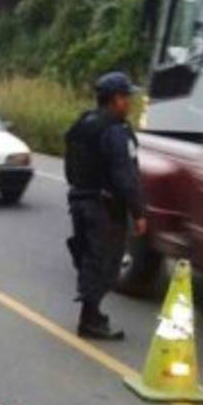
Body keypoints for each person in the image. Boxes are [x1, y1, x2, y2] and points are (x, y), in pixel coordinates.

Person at [64, 71, 147, 340]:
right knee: (106, 262)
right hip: (104, 206)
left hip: (79, 199)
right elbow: (126, 175)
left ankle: (92, 314)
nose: (130, 103)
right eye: (127, 97)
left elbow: (69, 164)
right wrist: (138, 212)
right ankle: (90, 320)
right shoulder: (114, 131)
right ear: (116, 99)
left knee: (90, 257)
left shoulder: (84, 123)